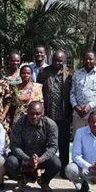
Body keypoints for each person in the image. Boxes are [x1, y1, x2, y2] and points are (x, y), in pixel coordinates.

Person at [6, 102, 61, 192]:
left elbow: (53, 146)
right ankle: (21, 180)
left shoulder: (50, 125)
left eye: (37, 114)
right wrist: (28, 159)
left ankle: (44, 181)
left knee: (56, 163)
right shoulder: (19, 123)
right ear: (27, 112)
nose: (34, 116)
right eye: (31, 113)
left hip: (42, 156)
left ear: (42, 113)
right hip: (24, 156)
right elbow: (14, 146)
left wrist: (40, 159)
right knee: (10, 162)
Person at [37, 50, 72, 178]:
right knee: (47, 143)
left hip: (64, 115)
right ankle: (46, 168)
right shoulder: (44, 73)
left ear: (64, 61)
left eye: (61, 61)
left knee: (63, 144)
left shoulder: (69, 74)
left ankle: (64, 170)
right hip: (49, 115)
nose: (58, 63)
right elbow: (38, 92)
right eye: (56, 60)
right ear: (52, 60)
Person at [69, 51, 96, 132]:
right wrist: (76, 106)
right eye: (86, 59)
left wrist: (90, 105)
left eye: (90, 59)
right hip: (78, 115)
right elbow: (72, 93)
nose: (88, 61)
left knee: (95, 142)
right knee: (78, 140)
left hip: (95, 117)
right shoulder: (77, 74)